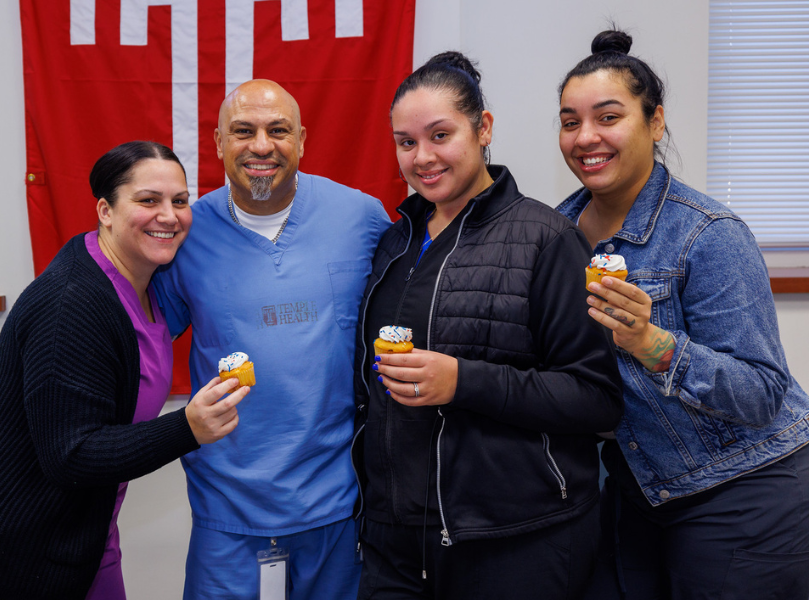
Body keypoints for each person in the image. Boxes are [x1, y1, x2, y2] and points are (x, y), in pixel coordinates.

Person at [352, 51, 624, 600]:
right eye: (406, 142)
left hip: (515, 542)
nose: (422, 157)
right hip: (396, 539)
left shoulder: (546, 240)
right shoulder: (394, 242)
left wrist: (462, 381)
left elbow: (596, 398)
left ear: (484, 129)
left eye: (440, 135)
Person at [0, 141, 249, 600]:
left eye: (180, 201)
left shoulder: (144, 282)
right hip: (15, 537)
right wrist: (187, 428)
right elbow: (71, 454)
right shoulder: (71, 304)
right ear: (105, 210)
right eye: (147, 200)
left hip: (84, 523)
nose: (169, 215)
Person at [556, 29, 809, 600]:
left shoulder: (708, 234)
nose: (586, 137)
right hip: (639, 489)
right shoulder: (554, 233)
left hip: (746, 488)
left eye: (608, 116)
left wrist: (651, 342)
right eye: (570, 122)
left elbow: (762, 391)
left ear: (655, 121)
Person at [151, 80, 391, 600]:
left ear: (302, 139)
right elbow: (142, 343)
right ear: (217, 142)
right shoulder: (187, 233)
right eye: (243, 131)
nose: (261, 145)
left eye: (277, 130)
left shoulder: (363, 218)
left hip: (337, 504)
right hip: (228, 507)